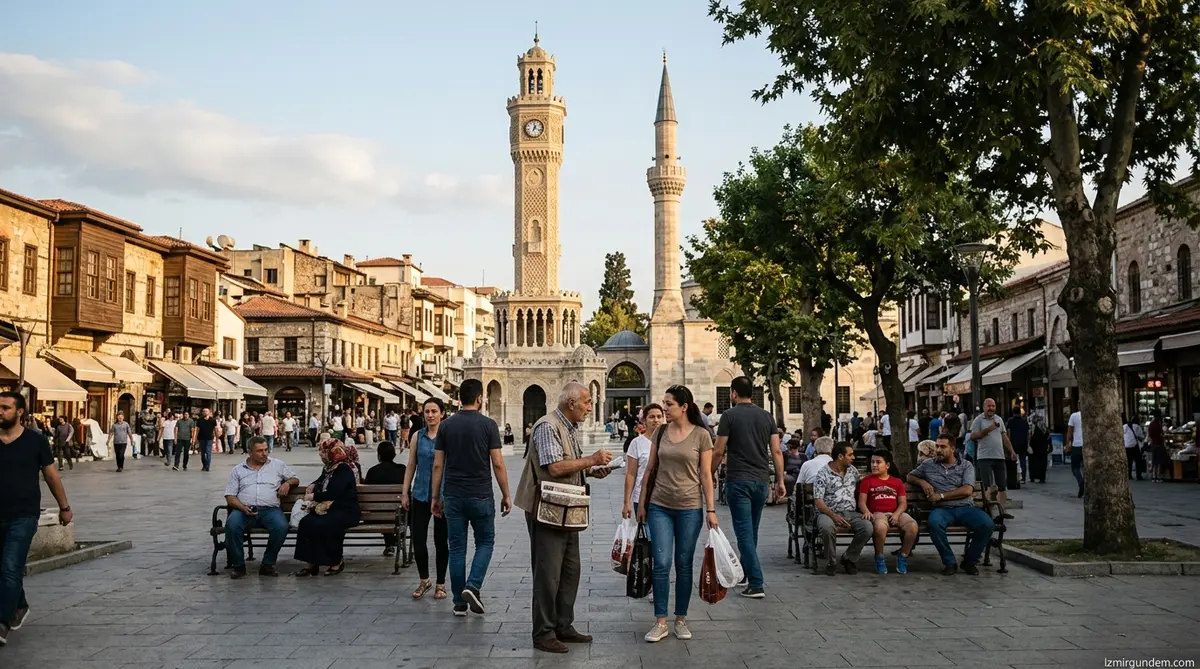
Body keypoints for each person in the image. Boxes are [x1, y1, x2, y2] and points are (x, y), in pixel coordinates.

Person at [516, 382, 611, 654]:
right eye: (587, 402)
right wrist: (591, 460)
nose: (590, 407)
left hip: (566, 509)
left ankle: (562, 624)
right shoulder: (548, 426)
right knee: (548, 574)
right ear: (571, 403)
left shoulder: (568, 427)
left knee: (570, 570)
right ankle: (544, 632)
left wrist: (590, 471)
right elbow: (555, 467)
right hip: (547, 510)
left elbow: (568, 463)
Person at [636, 384, 716, 644]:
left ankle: (680, 619)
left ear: (684, 406)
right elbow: (649, 469)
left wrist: (711, 509)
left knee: (683, 564)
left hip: (689, 508)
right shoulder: (660, 433)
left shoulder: (702, 435)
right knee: (661, 563)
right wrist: (641, 503)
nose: (665, 408)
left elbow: (706, 475)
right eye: (664, 403)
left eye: (669, 404)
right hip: (659, 505)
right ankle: (660, 621)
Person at [430, 379, 511, 617]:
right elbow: (497, 463)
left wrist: (435, 497)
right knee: (485, 542)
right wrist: (506, 494)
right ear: (479, 398)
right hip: (481, 494)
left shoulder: (446, 426)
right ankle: (473, 585)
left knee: (456, 548)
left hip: (453, 495)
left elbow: (438, 465)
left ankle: (459, 603)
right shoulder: (488, 425)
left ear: (459, 399)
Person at [0, 391, 72, 647]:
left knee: (10, 567)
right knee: (5, 568)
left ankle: (2, 622)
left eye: (5, 407)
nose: (0, 412)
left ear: (19, 412)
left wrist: (64, 507)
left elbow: (51, 476)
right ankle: (19, 605)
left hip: (24, 515)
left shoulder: (36, 441)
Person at [712, 376, 786, 599]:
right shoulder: (767, 416)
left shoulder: (729, 416)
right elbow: (776, 451)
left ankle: (756, 582)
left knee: (744, 532)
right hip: (761, 480)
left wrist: (709, 473)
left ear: (734, 393)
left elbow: (718, 450)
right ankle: (745, 573)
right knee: (751, 531)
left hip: (739, 480)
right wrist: (780, 480)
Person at [908, 434, 995, 575]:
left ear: (953, 449)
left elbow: (967, 490)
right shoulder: (928, 464)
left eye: (943, 447)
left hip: (965, 507)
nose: (938, 450)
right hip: (942, 509)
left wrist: (941, 496)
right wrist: (922, 482)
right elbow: (910, 476)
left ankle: (970, 561)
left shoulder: (966, 465)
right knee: (934, 524)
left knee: (987, 524)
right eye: (937, 446)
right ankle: (949, 562)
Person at [222, 436, 299, 579]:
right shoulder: (238, 470)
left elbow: (295, 478)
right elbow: (230, 496)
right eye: (260, 451)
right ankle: (238, 566)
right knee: (232, 525)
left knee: (281, 526)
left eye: (266, 450)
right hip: (244, 509)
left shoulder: (277, 465)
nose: (264, 454)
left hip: (270, 510)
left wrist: (287, 483)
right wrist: (241, 507)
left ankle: (268, 564)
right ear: (250, 452)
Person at [402, 398, 450, 600]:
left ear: (442, 414)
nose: (430, 415)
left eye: (434, 411)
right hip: (421, 493)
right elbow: (411, 465)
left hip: (442, 496)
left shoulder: (447, 436)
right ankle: (424, 579)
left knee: (441, 540)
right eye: (427, 411)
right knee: (419, 539)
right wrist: (405, 491)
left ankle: (441, 583)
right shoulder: (417, 436)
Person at [294, 439, 361, 576]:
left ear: (333, 452)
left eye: (323, 451)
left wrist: (313, 496)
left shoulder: (343, 468)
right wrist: (314, 484)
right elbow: (322, 479)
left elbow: (334, 492)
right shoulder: (330, 467)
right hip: (329, 509)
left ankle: (336, 561)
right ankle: (311, 563)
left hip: (345, 510)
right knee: (306, 522)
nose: (320, 454)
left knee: (325, 524)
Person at [813, 443, 872, 575]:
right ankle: (831, 562)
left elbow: (860, 488)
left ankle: (849, 558)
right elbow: (819, 501)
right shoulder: (823, 473)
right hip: (828, 513)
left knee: (867, 527)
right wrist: (834, 516)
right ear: (840, 456)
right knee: (827, 528)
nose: (853, 458)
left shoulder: (852, 471)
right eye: (850, 455)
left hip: (851, 512)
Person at [858, 449, 917, 575]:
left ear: (887, 465)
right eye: (872, 462)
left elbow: (903, 503)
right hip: (877, 513)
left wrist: (896, 514)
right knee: (880, 527)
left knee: (912, 526)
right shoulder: (867, 481)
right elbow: (862, 502)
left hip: (896, 512)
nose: (874, 465)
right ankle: (879, 557)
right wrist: (866, 511)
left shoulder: (897, 482)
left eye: (878, 462)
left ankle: (904, 555)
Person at [971, 399, 1017, 508]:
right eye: (989, 406)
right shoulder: (978, 420)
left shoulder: (999, 419)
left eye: (993, 406)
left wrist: (1012, 451)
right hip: (984, 457)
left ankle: (1002, 509)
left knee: (1002, 485)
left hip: (999, 456)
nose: (991, 408)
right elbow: (972, 436)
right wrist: (988, 429)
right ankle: (987, 507)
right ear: (984, 407)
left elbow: (1004, 437)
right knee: (986, 485)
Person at [365, 440, 406, 557]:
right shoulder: (402, 469)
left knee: (383, 510)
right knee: (393, 511)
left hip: (376, 516)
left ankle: (389, 545)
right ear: (394, 454)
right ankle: (397, 541)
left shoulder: (373, 471)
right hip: (400, 515)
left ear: (379, 455)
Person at [623, 403, 664, 520]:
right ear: (644, 420)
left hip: (665, 498)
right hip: (642, 497)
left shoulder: (669, 441)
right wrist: (626, 502)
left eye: (659, 416)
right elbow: (631, 474)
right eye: (652, 417)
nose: (656, 420)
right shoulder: (637, 443)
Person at [1065, 405, 1084, 497]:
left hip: (1077, 445)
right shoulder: (1090, 415)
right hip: (1087, 445)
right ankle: (1084, 483)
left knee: (1075, 468)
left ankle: (1081, 483)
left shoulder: (1074, 416)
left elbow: (1069, 432)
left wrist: (1068, 445)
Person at [1007, 408, 1030, 484]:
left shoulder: (1010, 421)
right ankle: (1023, 478)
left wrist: (1008, 443)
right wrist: (1028, 443)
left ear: (1013, 412)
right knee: (1023, 461)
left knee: (1012, 460)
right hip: (1023, 443)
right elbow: (1028, 433)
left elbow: (1008, 433)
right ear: (1020, 412)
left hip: (1013, 444)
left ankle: (1013, 476)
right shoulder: (1024, 421)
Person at [1028, 412, 1050, 483]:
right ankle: (1042, 477)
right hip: (1043, 448)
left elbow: (1029, 436)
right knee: (1042, 463)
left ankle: (1033, 477)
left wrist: (1028, 445)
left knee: (1033, 462)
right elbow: (1048, 436)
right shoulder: (1044, 427)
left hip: (1034, 448)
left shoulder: (1032, 427)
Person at [1148, 409, 1169, 482]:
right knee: (1159, 461)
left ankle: (1154, 476)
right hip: (1159, 444)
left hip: (1154, 444)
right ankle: (1159, 476)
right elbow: (1161, 434)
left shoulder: (1151, 424)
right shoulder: (1158, 424)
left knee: (1154, 461)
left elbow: (1150, 435)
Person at [196, 407, 218, 472]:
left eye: (206, 411)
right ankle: (204, 465)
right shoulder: (199, 420)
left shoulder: (213, 420)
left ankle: (208, 466)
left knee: (208, 452)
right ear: (202, 413)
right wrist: (195, 438)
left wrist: (217, 438)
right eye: (204, 411)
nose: (205, 412)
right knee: (203, 453)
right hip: (201, 438)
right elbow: (197, 429)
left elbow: (215, 429)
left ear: (209, 412)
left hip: (209, 438)